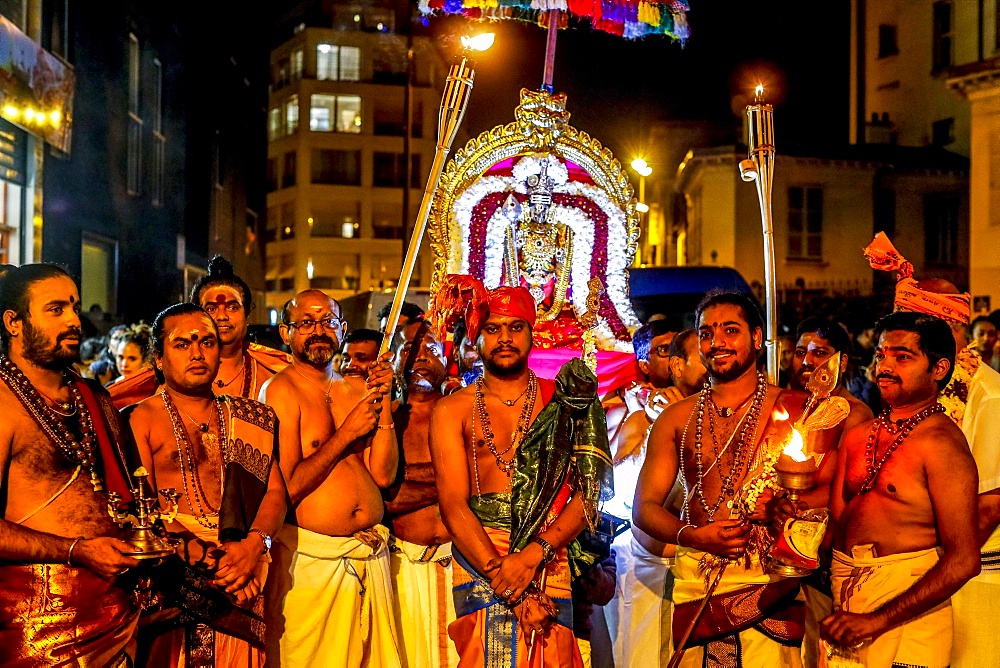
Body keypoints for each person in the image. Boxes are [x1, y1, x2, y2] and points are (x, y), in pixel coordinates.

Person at [429, 282, 614, 667]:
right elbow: (453, 505)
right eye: (493, 329)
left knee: (555, 657)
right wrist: (511, 585)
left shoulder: (563, 402)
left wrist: (534, 554)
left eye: (516, 327)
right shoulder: (452, 410)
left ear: (533, 333)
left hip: (548, 555)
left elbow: (590, 492)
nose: (505, 338)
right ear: (475, 339)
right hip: (481, 556)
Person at [634, 290, 809, 667]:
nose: (717, 343)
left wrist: (784, 511)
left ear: (757, 338)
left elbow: (824, 505)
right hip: (697, 580)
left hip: (768, 584)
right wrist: (694, 536)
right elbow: (644, 509)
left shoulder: (794, 411)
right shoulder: (676, 418)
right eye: (707, 333)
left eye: (731, 330)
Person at [864, 232, 1000, 667]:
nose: (897, 349)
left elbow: (988, 507)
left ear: (949, 332)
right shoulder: (910, 393)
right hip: (913, 583)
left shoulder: (989, 396)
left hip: (971, 583)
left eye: (913, 333)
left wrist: (923, 579)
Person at [126, 302, 288, 666]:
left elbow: (275, 491)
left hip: (246, 571)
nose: (197, 353)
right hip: (179, 580)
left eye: (207, 342)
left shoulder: (248, 417)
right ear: (158, 356)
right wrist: (220, 566)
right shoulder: (140, 419)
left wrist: (253, 546)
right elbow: (142, 511)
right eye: (182, 344)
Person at [0, 263, 143, 665]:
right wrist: (77, 550)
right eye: (56, 309)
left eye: (75, 307)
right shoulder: (2, 401)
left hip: (116, 611)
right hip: (39, 628)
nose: (74, 320)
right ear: (14, 322)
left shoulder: (92, 397)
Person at [821, 311, 980, 666]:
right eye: (881, 355)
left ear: (938, 369)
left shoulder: (942, 444)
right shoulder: (858, 435)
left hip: (910, 616)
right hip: (847, 603)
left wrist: (877, 620)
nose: (885, 367)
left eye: (902, 357)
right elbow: (833, 527)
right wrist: (790, 517)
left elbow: (965, 560)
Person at [260, 289, 401, 667]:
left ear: (342, 329)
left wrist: (382, 399)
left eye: (328, 322)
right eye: (306, 323)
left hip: (369, 556)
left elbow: (384, 476)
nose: (319, 330)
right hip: (312, 562)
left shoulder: (356, 388)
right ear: (286, 333)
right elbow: (286, 487)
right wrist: (345, 434)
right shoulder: (279, 391)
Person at [603, 326, 706, 668]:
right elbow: (611, 489)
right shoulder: (638, 417)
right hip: (640, 563)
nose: (713, 357)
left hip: (696, 564)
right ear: (678, 366)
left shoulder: (719, 415)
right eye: (702, 353)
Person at [784, 315, 874, 667]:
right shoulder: (790, 406)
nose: (807, 362)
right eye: (799, 352)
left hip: (824, 557)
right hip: (782, 552)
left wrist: (792, 504)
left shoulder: (854, 415)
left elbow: (851, 489)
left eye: (819, 352)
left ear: (843, 360)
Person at [109, 255, 292, 409]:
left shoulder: (274, 374)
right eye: (211, 309)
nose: (222, 316)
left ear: (247, 315)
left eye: (232, 307)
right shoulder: (174, 371)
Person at [384, 326, 459, 668]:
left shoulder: (465, 414)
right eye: (410, 352)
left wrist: (408, 479)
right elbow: (387, 499)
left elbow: (479, 488)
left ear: (448, 360)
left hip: (460, 563)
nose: (422, 358)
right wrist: (450, 480)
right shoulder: (386, 420)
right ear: (396, 362)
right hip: (403, 566)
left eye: (432, 350)